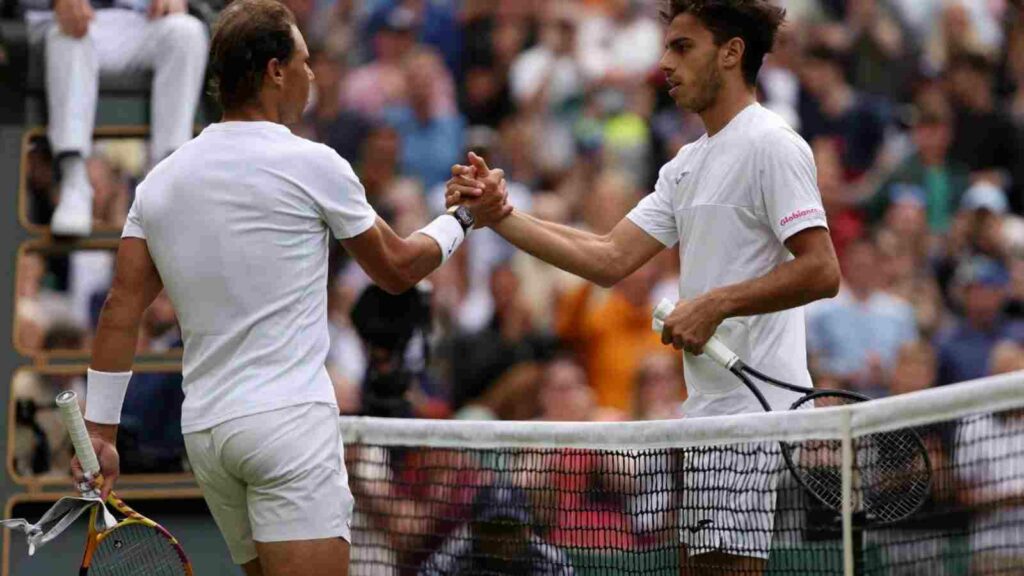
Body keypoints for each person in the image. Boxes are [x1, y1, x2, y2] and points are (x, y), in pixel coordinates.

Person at [69, 1, 504, 575]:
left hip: (209, 437)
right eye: (303, 61)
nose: (313, 75)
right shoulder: (314, 163)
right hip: (286, 430)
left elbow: (120, 309)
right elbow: (398, 268)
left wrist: (101, 431)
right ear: (276, 71)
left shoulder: (161, 181)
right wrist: (464, 220)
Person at [446, 1, 840, 573]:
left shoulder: (772, 144)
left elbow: (822, 269)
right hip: (708, 412)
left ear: (731, 53)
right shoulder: (685, 164)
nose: (665, 65)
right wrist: (500, 215)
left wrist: (714, 303)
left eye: (683, 47)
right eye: (666, 48)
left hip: (756, 411)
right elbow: (608, 257)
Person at [20, 0, 209, 236]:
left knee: (186, 32)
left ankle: (164, 187)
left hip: (140, 19)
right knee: (68, 37)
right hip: (62, 23)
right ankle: (74, 181)